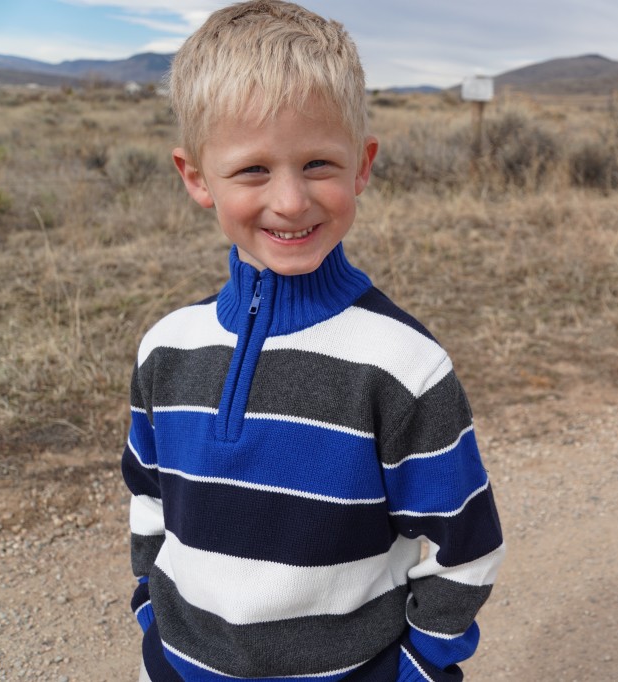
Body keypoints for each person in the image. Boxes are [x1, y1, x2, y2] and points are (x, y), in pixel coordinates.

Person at [120, 2, 505, 680]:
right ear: (195, 177)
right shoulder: (166, 349)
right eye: (253, 171)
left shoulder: (402, 367)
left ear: (363, 166)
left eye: (319, 164)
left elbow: (466, 548)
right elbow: (149, 501)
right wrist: (152, 614)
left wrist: (416, 668)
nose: (292, 201)